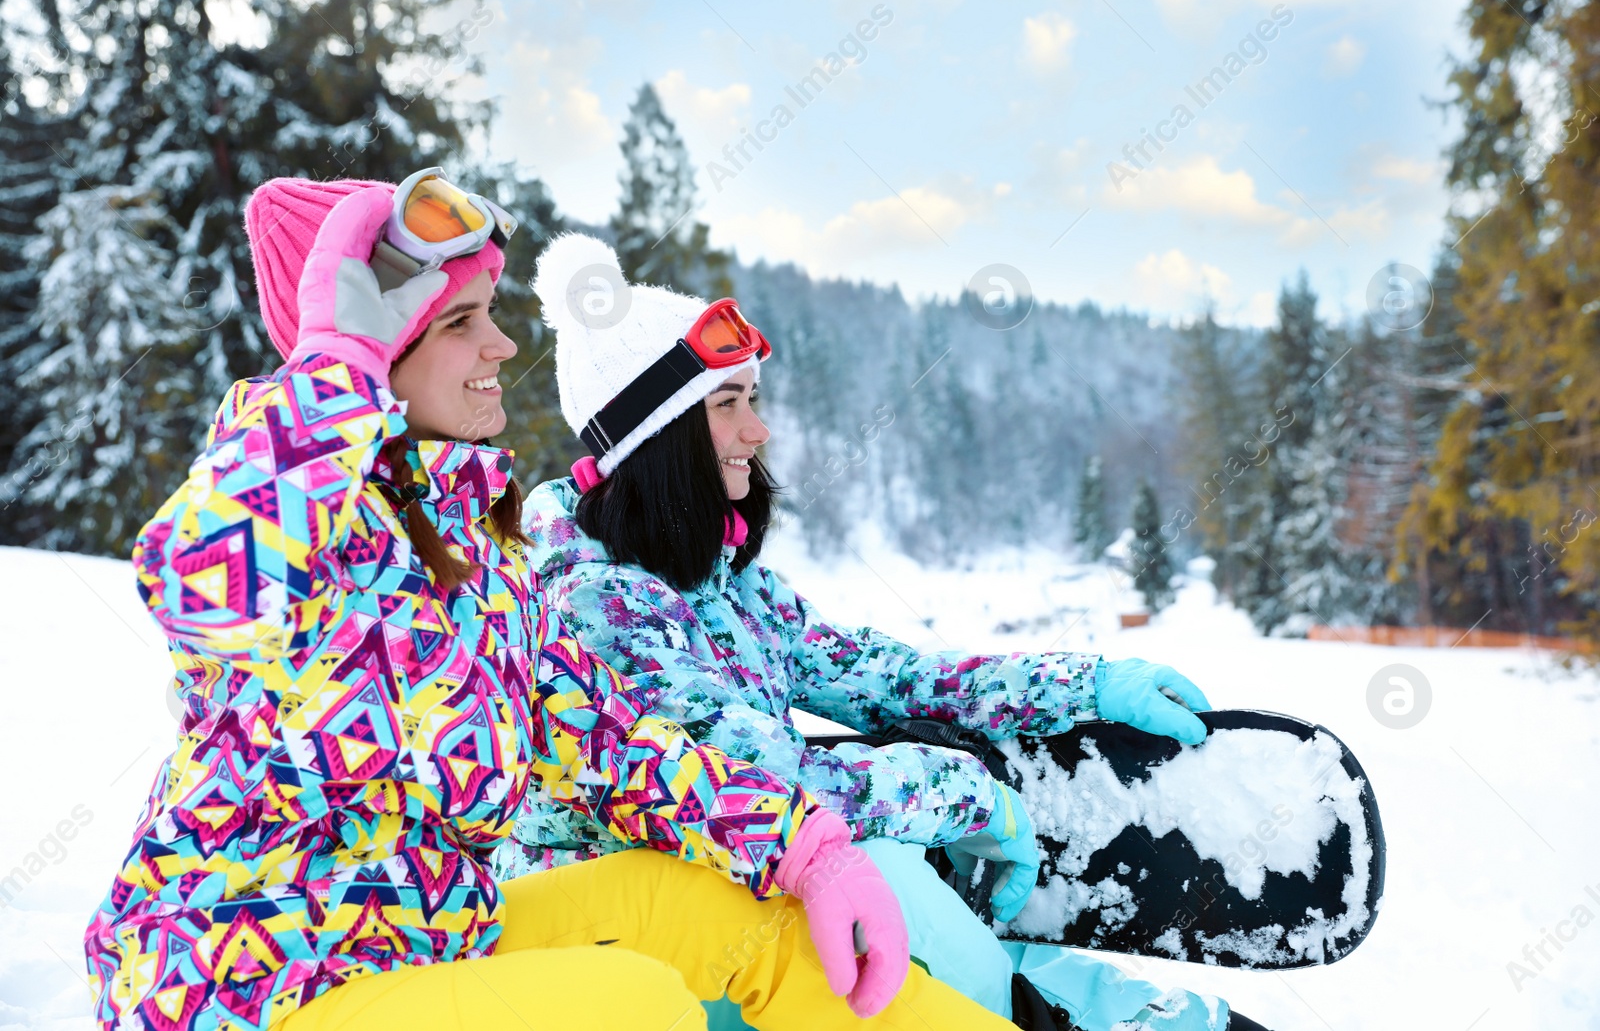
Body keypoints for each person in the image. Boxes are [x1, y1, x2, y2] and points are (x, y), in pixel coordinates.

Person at [81, 176, 1027, 1031]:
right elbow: (193, 579)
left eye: (490, 311)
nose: (503, 343)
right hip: (241, 990)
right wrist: (330, 369)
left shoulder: (480, 553)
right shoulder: (291, 527)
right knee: (632, 1005)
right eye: (460, 324)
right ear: (369, 353)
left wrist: (804, 845)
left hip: (420, 937)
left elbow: (606, 741)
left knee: (732, 918)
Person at [490, 233, 1235, 1031]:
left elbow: (892, 678)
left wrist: (1082, 683)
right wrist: (975, 798)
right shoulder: (593, 603)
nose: (758, 430)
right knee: (882, 871)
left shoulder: (718, 581)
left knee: (931, 900)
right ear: (658, 440)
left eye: (754, 398)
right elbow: (771, 786)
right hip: (642, 968)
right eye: (728, 404)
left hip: (751, 919)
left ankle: (1044, 992)